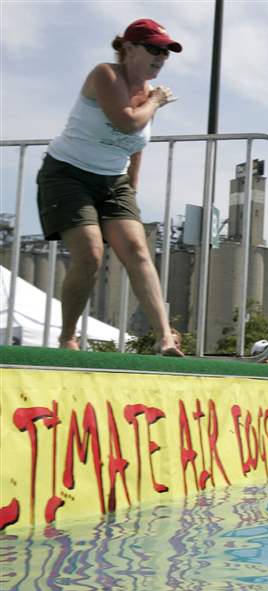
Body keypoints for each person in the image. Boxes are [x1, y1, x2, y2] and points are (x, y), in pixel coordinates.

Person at [36, 18, 182, 355]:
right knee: (90, 254)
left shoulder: (148, 96)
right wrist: (156, 102)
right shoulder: (106, 74)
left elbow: (137, 144)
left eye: (166, 52)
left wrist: (131, 188)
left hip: (113, 182)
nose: (161, 57)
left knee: (137, 249)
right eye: (154, 49)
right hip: (67, 174)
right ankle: (68, 337)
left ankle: (164, 338)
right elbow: (127, 122)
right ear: (128, 48)